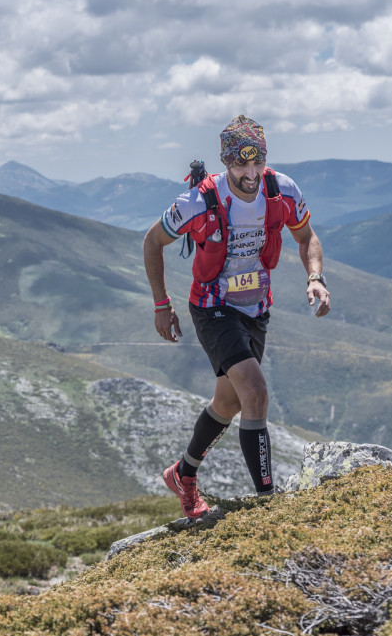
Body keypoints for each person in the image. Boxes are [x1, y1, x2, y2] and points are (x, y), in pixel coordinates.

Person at [142, 115, 331, 519]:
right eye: (240, 165)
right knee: (256, 392)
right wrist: (162, 304)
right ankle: (269, 505)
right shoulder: (199, 201)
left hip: (256, 308)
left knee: (228, 402)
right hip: (212, 307)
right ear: (226, 163)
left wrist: (315, 277)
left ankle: (183, 474)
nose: (250, 173)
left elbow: (307, 237)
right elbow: (152, 241)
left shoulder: (282, 190)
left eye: (256, 162)